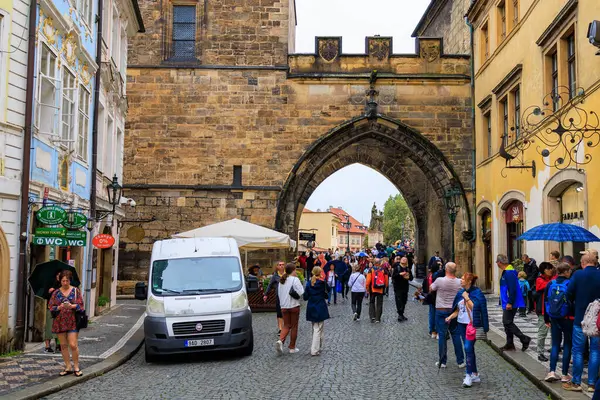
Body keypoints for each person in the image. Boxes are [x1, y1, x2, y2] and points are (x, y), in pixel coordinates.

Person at [563, 253, 600, 392]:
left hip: (580, 318)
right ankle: (592, 384)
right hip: (597, 320)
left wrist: (573, 306)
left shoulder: (578, 275)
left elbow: (568, 293)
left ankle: (577, 382)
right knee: (595, 351)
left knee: (578, 350)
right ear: (595, 263)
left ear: (583, 263)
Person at [446, 273, 489, 388]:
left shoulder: (477, 293)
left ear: (469, 281)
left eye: (463, 279)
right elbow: (458, 309)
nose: (461, 280)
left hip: (472, 325)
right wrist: (450, 317)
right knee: (469, 350)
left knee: (467, 347)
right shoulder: (460, 293)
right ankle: (475, 373)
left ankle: (468, 375)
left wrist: (467, 297)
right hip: (461, 325)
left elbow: (475, 308)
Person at [48, 270, 84, 377]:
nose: (65, 283)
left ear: (70, 280)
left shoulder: (75, 291)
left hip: (73, 321)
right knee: (63, 345)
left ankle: (76, 367)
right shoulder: (56, 293)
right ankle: (68, 366)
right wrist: (59, 307)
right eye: (63, 281)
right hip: (60, 321)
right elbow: (51, 307)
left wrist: (72, 306)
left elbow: (81, 306)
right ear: (60, 281)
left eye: (67, 281)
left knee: (73, 344)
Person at [544, 262, 574, 383]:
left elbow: (546, 300)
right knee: (567, 344)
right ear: (566, 272)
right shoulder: (570, 283)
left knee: (555, 344)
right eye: (569, 271)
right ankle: (564, 374)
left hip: (554, 317)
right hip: (567, 318)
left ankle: (551, 371)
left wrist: (547, 318)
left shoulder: (551, 283)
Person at [430, 262, 464, 368]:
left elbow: (431, 288)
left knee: (442, 336)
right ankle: (460, 361)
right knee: (456, 335)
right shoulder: (459, 282)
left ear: (445, 269)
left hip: (441, 310)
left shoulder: (440, 281)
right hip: (454, 311)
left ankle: (442, 361)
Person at [496, 254, 531, 352]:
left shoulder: (509, 272)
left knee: (507, 322)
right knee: (507, 323)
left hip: (511, 302)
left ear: (499, 262)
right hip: (507, 301)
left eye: (497, 262)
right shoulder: (508, 271)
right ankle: (510, 344)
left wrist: (510, 302)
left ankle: (524, 339)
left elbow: (512, 289)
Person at [275, 263, 305, 355]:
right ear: (293, 270)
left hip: (284, 306)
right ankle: (292, 347)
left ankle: (281, 340)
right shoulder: (295, 280)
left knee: (286, 325)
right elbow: (301, 292)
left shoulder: (282, 281)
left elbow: (279, 294)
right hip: (294, 305)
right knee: (294, 326)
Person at [303, 267, 329, 356]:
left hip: (312, 306)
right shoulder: (322, 283)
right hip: (320, 306)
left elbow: (305, 297)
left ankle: (318, 346)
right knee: (318, 328)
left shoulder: (308, 283)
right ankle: (314, 349)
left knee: (316, 327)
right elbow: (327, 292)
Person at [536, 262, 556, 362]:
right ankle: (540, 352)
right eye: (549, 269)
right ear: (544, 270)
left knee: (554, 332)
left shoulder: (552, 279)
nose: (551, 270)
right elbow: (545, 286)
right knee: (542, 333)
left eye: (551, 269)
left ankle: (553, 350)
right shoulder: (540, 280)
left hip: (553, 310)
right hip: (543, 311)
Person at [264, 261, 285, 335]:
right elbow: (270, 285)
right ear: (277, 267)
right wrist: (266, 294)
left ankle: (286, 327)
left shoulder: (287, 275)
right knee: (279, 313)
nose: (282, 266)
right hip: (279, 296)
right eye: (280, 265)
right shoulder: (275, 276)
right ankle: (280, 329)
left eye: (283, 265)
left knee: (285, 312)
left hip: (287, 297)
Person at [365, 259, 389, 323]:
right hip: (380, 289)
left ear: (373, 263)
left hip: (372, 289)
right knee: (379, 304)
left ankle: (372, 316)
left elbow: (368, 281)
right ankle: (378, 318)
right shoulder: (384, 270)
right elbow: (386, 281)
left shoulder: (371, 270)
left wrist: (367, 288)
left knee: (372, 302)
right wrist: (385, 287)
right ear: (380, 263)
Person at [44, 271, 62, 353]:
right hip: (51, 309)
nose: (59, 276)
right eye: (58, 274)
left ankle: (58, 345)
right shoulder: (51, 284)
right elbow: (46, 296)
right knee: (49, 327)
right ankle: (47, 346)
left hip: (60, 309)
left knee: (59, 327)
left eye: (60, 275)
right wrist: (49, 292)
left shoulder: (63, 286)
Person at [392, 256, 413, 322]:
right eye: (403, 259)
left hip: (405, 287)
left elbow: (411, 278)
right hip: (398, 287)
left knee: (404, 301)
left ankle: (402, 313)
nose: (404, 260)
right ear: (400, 260)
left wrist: (408, 277)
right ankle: (400, 314)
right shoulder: (397, 267)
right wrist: (400, 274)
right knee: (399, 301)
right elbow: (393, 276)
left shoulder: (407, 269)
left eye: (405, 259)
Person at [422, 263, 440, 339]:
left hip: (430, 296)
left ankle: (431, 330)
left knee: (431, 314)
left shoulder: (429, 275)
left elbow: (424, 286)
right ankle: (435, 330)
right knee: (436, 314)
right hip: (436, 296)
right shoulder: (437, 275)